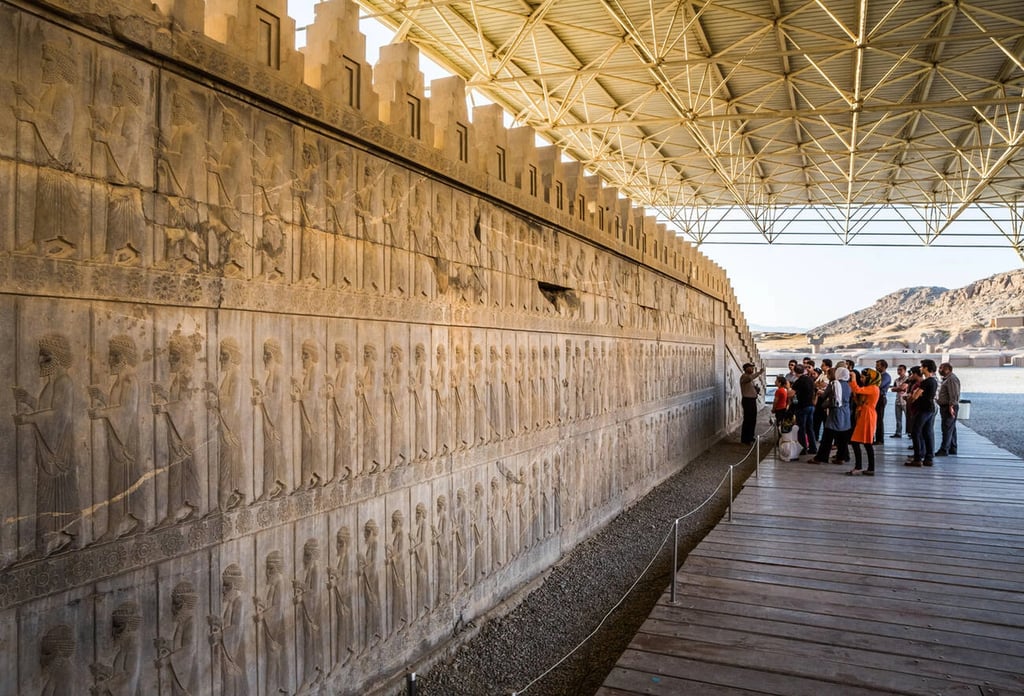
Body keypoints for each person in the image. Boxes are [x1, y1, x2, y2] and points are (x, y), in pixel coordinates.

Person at [808, 365, 851, 465]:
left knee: (827, 437)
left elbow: (827, 397)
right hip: (845, 413)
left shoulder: (834, 384)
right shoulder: (847, 385)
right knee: (842, 436)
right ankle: (842, 457)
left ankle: (821, 457)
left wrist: (823, 404)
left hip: (835, 413)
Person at [847, 368, 880, 475]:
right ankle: (869, 468)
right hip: (865, 414)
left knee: (860, 442)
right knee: (865, 443)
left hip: (867, 415)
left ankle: (860, 466)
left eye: (863, 377)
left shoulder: (873, 388)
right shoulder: (871, 388)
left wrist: (853, 378)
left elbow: (857, 389)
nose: (861, 379)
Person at [906, 359, 938, 467]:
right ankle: (929, 458)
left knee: (916, 432)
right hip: (930, 408)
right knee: (927, 432)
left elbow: (915, 396)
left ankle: (918, 458)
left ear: (926, 368)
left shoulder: (926, 382)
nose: (920, 368)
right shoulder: (934, 381)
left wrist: (913, 396)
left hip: (923, 409)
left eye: (922, 367)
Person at [791, 365, 818, 455]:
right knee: (810, 428)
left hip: (802, 406)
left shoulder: (799, 381)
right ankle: (813, 447)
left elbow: (791, 393)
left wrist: (787, 389)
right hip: (811, 405)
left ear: (795, 372)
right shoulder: (810, 379)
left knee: (801, 428)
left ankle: (803, 448)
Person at [935, 362, 961, 456]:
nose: (939, 370)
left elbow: (954, 394)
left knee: (946, 428)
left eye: (941, 368)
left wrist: (951, 406)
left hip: (949, 407)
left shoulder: (951, 379)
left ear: (947, 369)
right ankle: (952, 448)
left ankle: (944, 449)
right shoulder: (947, 379)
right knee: (951, 428)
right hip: (946, 406)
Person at [739, 362, 765, 444]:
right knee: (748, 419)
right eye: (750, 367)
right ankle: (745, 439)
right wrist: (759, 372)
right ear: (746, 369)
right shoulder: (744, 377)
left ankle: (751, 436)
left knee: (753, 419)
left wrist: (756, 390)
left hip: (752, 400)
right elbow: (750, 378)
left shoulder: (749, 378)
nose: (752, 369)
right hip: (747, 401)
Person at [873, 359, 891, 443]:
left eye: (878, 366)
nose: (876, 367)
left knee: (879, 419)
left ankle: (880, 439)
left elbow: (878, 385)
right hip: (876, 398)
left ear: (883, 367)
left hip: (881, 398)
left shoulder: (885, 376)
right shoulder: (878, 375)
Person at [889, 364, 908, 438]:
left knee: (908, 418)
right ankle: (898, 432)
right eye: (898, 370)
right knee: (898, 418)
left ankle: (910, 432)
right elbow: (893, 389)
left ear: (905, 371)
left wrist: (898, 388)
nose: (899, 371)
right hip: (898, 401)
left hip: (905, 402)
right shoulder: (896, 380)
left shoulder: (908, 379)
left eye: (901, 370)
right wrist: (899, 388)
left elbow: (902, 388)